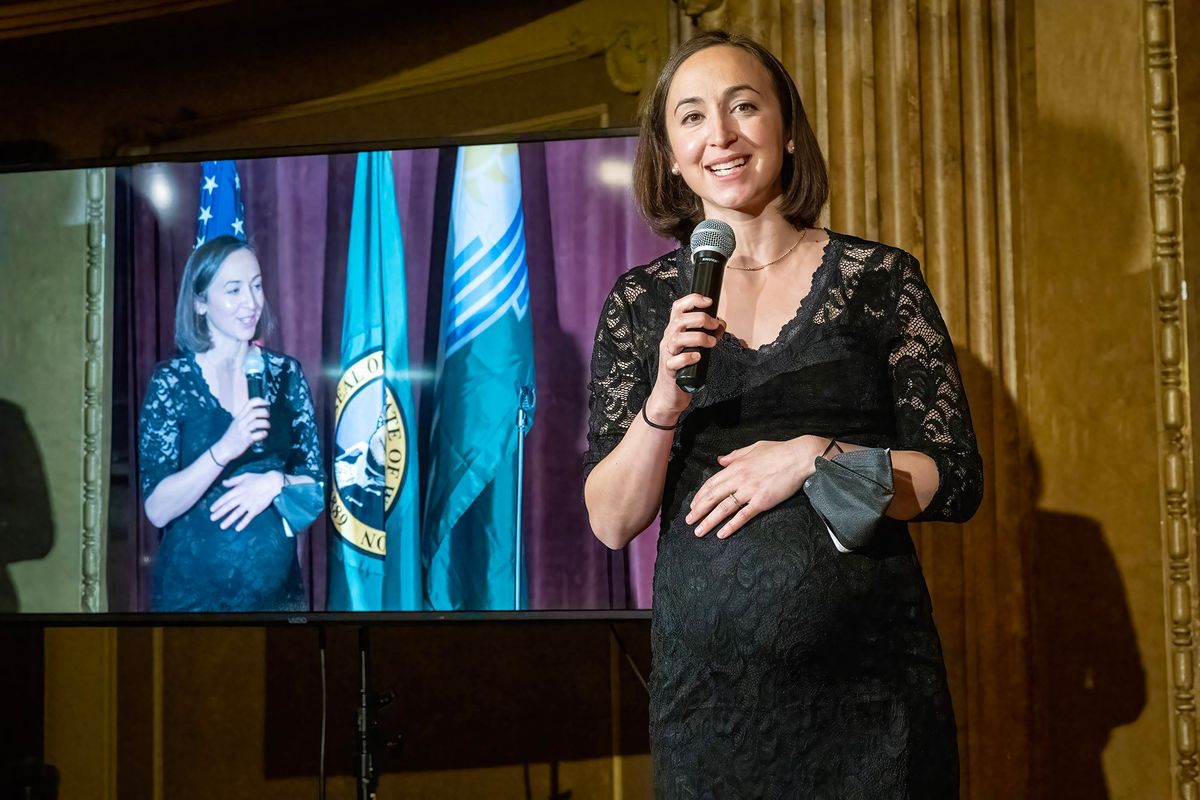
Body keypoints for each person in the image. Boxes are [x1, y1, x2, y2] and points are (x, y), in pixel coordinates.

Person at [583, 30, 982, 798]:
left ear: (787, 127)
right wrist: (665, 397)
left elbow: (958, 478)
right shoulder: (642, 305)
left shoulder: (880, 281)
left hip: (871, 710)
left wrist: (816, 458)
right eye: (692, 117)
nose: (722, 135)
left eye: (744, 107)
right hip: (710, 715)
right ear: (670, 153)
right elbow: (610, 520)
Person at [138, 235, 324, 612]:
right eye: (234, 290)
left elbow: (315, 489)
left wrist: (276, 483)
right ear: (200, 302)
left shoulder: (286, 374)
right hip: (190, 601)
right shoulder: (172, 382)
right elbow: (157, 509)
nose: (252, 303)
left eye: (256, 286)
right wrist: (224, 449)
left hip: (277, 601)